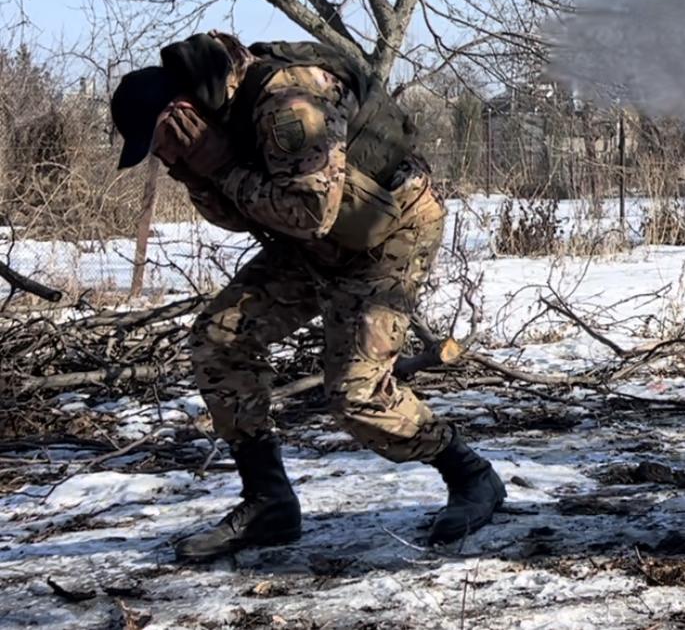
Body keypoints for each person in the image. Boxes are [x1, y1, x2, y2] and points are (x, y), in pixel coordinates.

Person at [110, 32, 506, 561]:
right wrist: (199, 170)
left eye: (159, 143)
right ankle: (268, 501)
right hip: (315, 241)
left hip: (389, 233)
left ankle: (471, 475)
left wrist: (220, 166)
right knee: (219, 340)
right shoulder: (214, 117)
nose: (161, 157)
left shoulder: (289, 101)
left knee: (357, 397)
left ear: (179, 111)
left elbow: (309, 212)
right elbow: (241, 215)